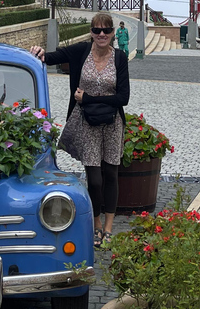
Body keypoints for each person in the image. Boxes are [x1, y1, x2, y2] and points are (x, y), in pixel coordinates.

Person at [30, 13, 130, 248]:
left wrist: (88, 98)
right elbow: (52, 57)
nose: (101, 35)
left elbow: (123, 98)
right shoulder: (81, 52)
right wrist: (37, 51)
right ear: (91, 32)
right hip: (87, 124)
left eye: (106, 30)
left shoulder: (120, 58)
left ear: (113, 32)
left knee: (111, 175)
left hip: (112, 124)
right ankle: (96, 225)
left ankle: (108, 228)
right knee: (94, 179)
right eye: (96, 30)